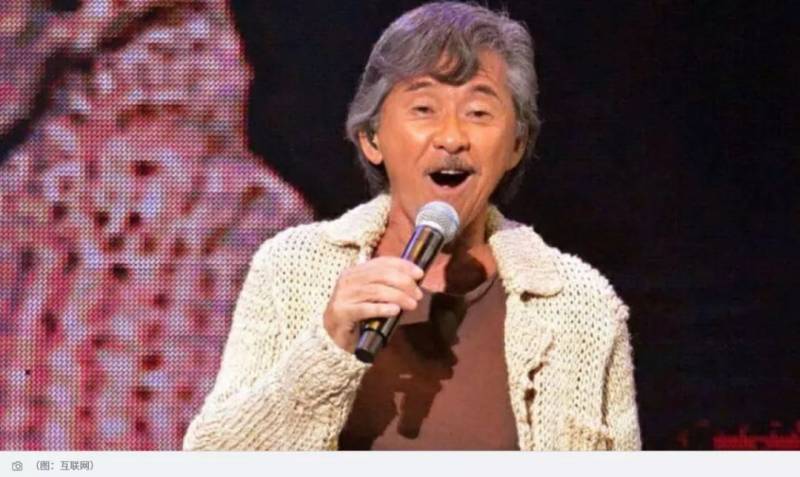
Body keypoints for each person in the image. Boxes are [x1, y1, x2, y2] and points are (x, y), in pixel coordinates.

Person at [182, 1, 641, 451]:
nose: (452, 137)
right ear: (372, 139)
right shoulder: (291, 270)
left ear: (516, 146)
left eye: (478, 113)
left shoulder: (581, 304)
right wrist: (328, 346)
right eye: (424, 109)